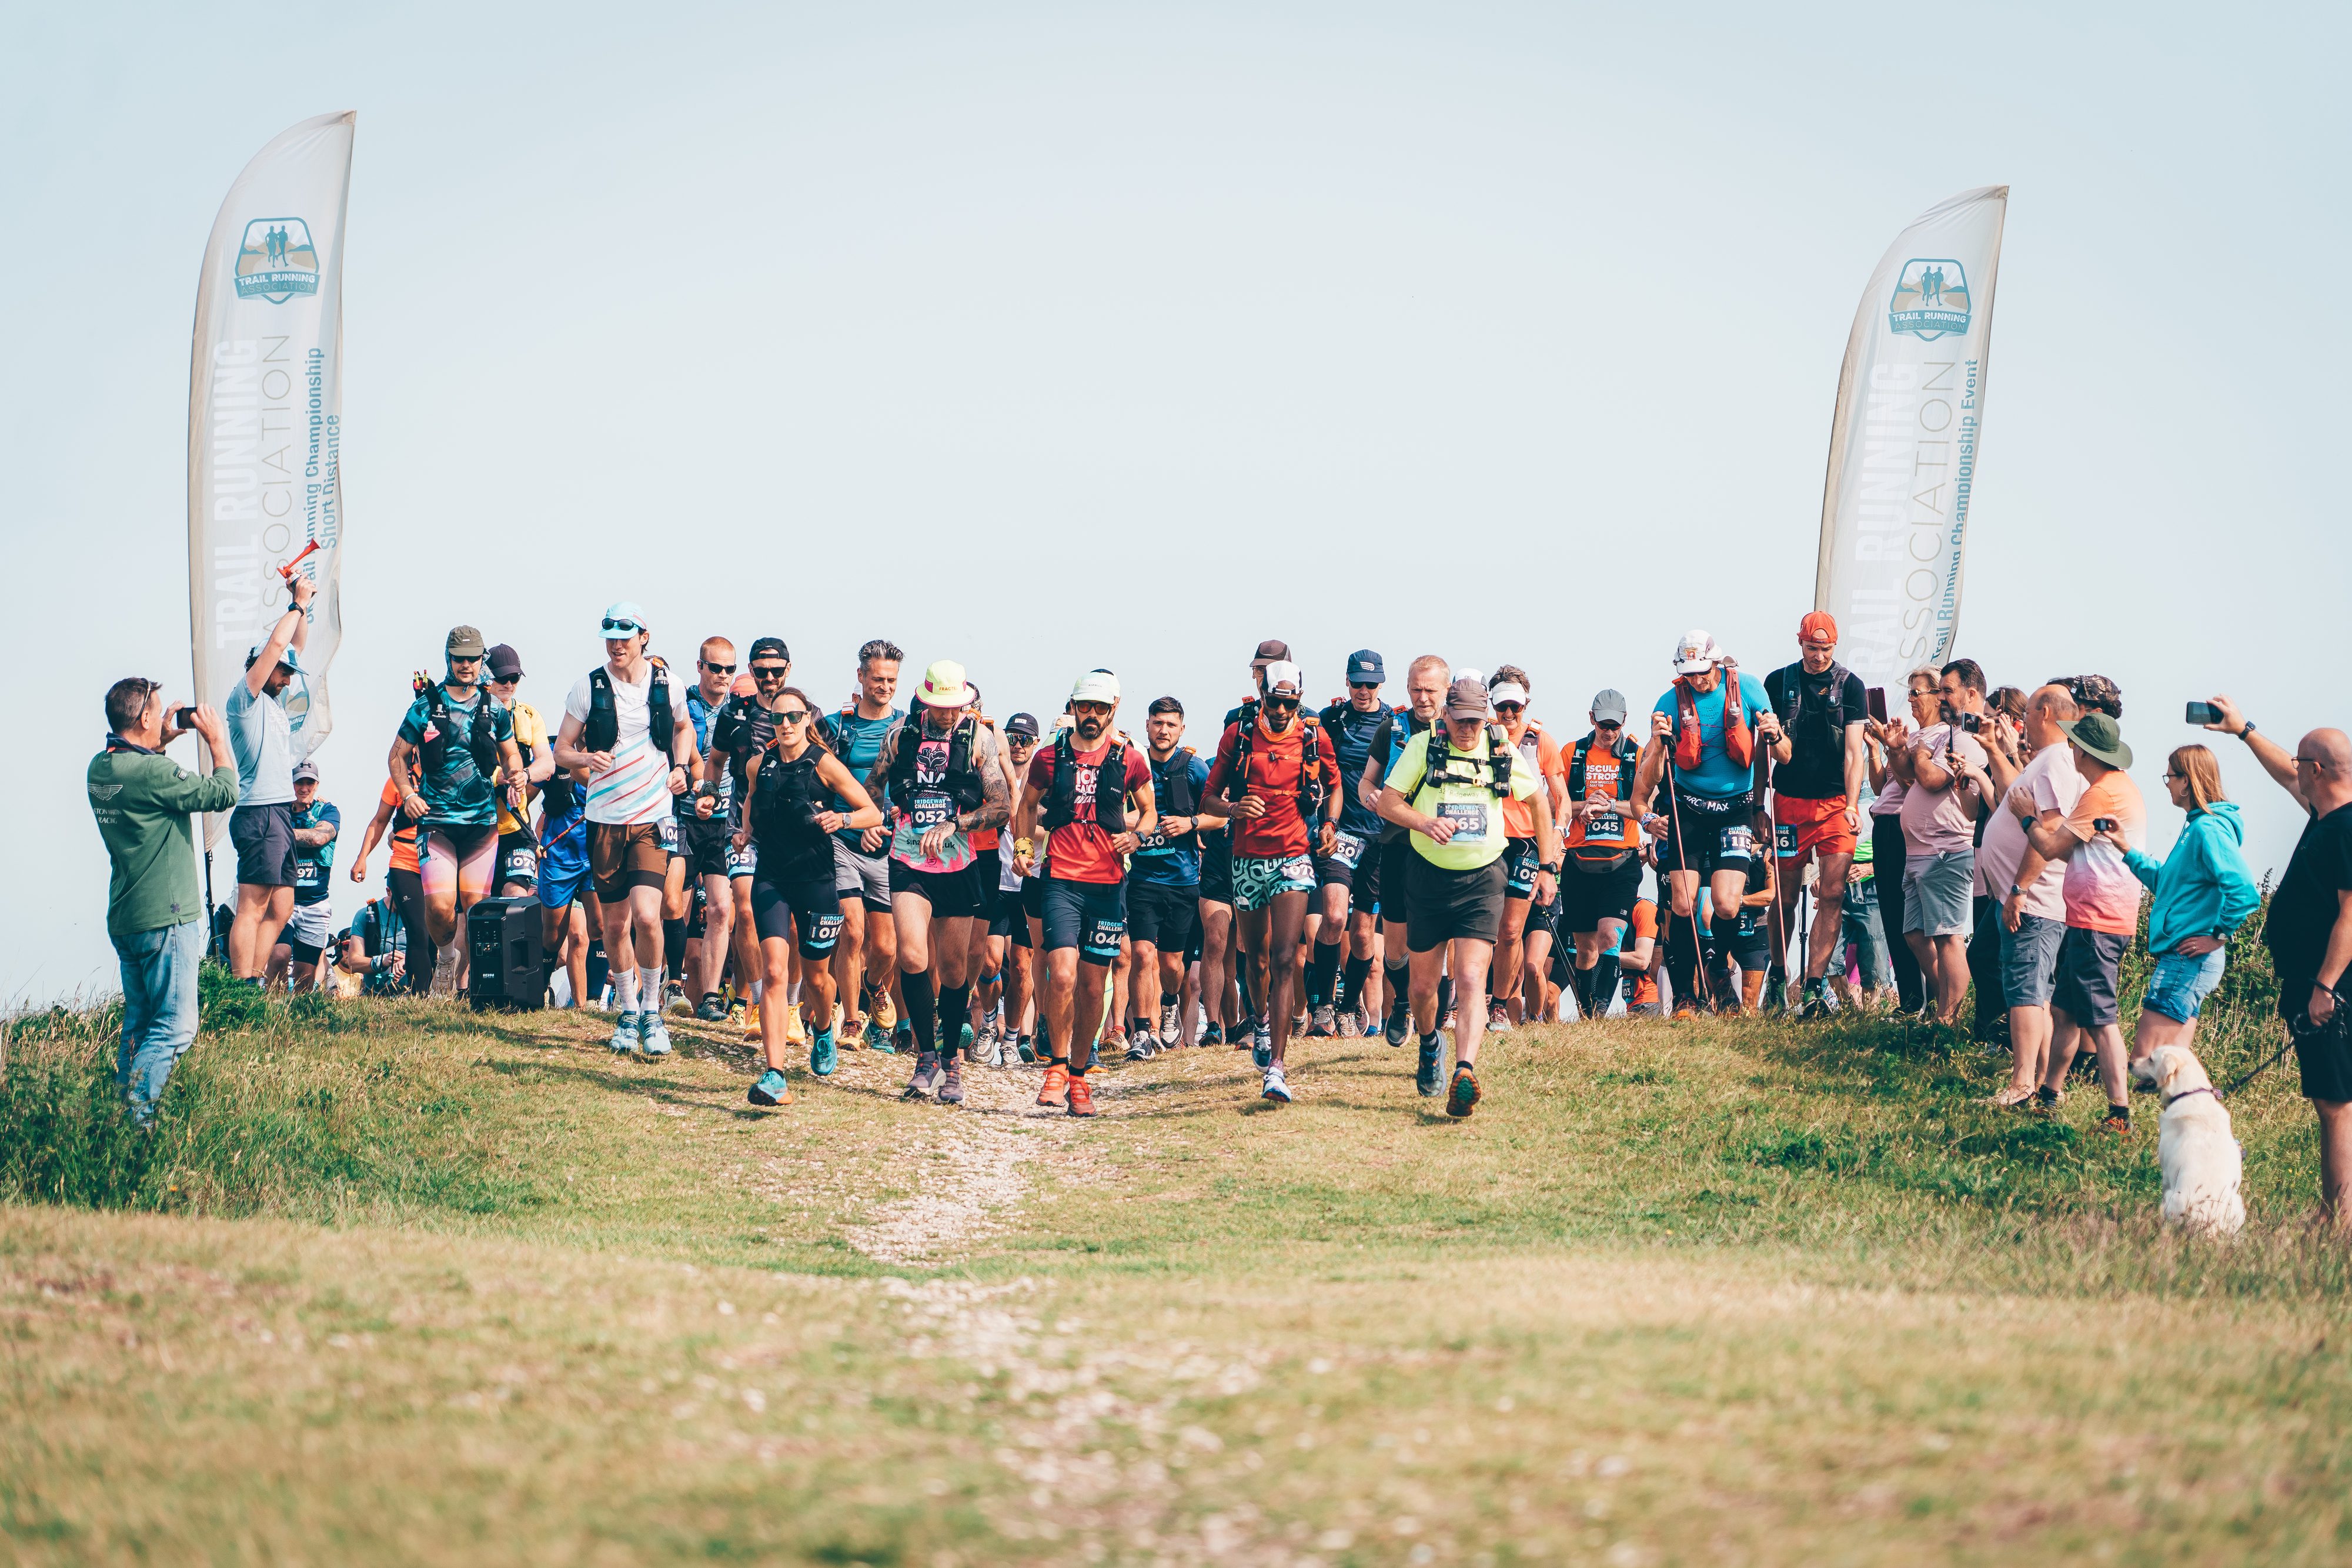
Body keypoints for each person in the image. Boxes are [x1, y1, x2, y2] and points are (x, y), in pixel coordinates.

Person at [2200, 697, 2352, 1222]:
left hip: (2329, 985)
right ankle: (2336, 1207)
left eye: (2301, 766)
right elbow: (2286, 773)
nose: (2294, 772)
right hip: (2311, 979)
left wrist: (2326, 985)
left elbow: (2350, 916)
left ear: (2317, 770)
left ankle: (2340, 1215)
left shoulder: (2348, 827)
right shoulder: (2325, 815)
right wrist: (2244, 731)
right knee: (2329, 1100)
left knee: (2336, 1102)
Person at [1376, 675, 1547, 1116]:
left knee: (1472, 978)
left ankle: (1465, 1070)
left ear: (1484, 717)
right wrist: (1423, 822)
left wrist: (1548, 865)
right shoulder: (1424, 745)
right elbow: (1387, 801)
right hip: (1427, 878)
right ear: (1447, 714)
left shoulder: (1499, 748)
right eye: (1461, 720)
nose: (1468, 729)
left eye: (1476, 720)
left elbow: (1539, 804)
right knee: (1422, 987)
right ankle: (1430, 1042)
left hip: (1484, 878)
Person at [88, 680, 239, 1122]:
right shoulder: (153, 774)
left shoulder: (100, 768)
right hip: (166, 916)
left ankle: (119, 1119)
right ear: (146, 719)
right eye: (157, 712)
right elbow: (222, 793)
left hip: (127, 916)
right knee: (175, 1026)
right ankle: (138, 1123)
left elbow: (144, 785)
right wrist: (217, 742)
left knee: (139, 1023)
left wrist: (159, 748)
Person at [553, 602, 699, 1057]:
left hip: (653, 817)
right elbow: (561, 749)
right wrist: (585, 759)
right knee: (614, 925)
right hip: (604, 820)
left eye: (625, 636)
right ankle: (628, 1010)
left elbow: (684, 728)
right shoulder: (588, 687)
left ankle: (654, 1011)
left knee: (649, 915)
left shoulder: (667, 683)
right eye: (610, 637)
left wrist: (679, 767)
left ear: (644, 637)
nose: (617, 645)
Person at [866, 660, 1011, 1104]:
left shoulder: (978, 739)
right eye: (941, 707)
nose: (949, 715)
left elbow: (1002, 805)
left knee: (952, 971)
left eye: (956, 707)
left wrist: (958, 823)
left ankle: (951, 1062)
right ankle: (924, 1057)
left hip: (958, 863)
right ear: (925, 700)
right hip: (909, 859)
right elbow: (872, 787)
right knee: (911, 955)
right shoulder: (901, 736)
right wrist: (873, 820)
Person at [1013, 670, 1156, 1118]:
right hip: (1061, 879)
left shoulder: (1128, 757)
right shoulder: (1048, 756)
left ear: (1114, 708)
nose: (1090, 716)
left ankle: (1078, 1076)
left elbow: (1150, 811)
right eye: (1083, 707)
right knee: (1062, 974)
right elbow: (1026, 806)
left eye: (1099, 708)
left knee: (1095, 986)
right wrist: (1022, 846)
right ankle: (1055, 1067)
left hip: (1109, 885)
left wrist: (1138, 837)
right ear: (1073, 707)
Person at [735, 684, 883, 1106]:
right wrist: (745, 832)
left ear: (807, 720)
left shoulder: (825, 764)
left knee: (818, 976)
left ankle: (822, 1028)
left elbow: (872, 811)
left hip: (817, 880)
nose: (785, 724)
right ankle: (776, 1074)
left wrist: (844, 817)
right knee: (776, 973)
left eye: (794, 717)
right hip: (771, 878)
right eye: (778, 718)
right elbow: (750, 800)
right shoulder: (758, 765)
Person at [1203, 660, 1342, 1101]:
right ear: (1261, 695)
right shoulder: (1239, 734)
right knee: (1256, 959)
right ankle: (1260, 1021)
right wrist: (1232, 809)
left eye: (1290, 702)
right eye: (1274, 701)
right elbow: (1209, 794)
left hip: (1294, 857)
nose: (1282, 710)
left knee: (1286, 958)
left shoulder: (1313, 736)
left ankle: (1277, 1068)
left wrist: (1330, 824)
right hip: (1246, 858)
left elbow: (1335, 785)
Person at [1635, 630, 1781, 1017]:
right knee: (1682, 903)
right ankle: (1684, 994)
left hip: (1735, 809)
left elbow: (1782, 751)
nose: (1697, 680)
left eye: (1702, 672)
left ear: (1717, 663)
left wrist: (1775, 733)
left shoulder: (1748, 688)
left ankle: (1718, 966)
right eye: (1690, 674)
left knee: (1728, 906)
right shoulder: (1670, 702)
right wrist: (1657, 741)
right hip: (1689, 811)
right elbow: (1647, 780)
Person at [2021, 711, 2147, 1132]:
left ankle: (2119, 1114)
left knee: (2101, 1017)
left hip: (2099, 920)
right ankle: (2049, 1094)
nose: (2070, 750)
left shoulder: (2102, 794)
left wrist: (2026, 817)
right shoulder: (2119, 787)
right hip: (2094, 918)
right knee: (2066, 1011)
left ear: (2084, 751)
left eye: (2074, 744)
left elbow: (2055, 847)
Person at [390, 626, 525, 998]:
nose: (466, 666)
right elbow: (396, 756)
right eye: (459, 659)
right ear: (448, 659)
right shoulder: (424, 706)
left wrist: (517, 775)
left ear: (482, 660)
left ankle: (473, 985)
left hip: (482, 824)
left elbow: (510, 752)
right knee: (440, 907)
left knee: (477, 909)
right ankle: (445, 959)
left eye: (473, 659)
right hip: (437, 824)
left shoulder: (494, 708)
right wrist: (406, 793)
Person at [2103, 744, 2259, 1065]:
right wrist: (2124, 847)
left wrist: (2218, 936)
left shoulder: (2208, 829)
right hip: (2184, 959)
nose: (2168, 784)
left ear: (2186, 781)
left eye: (2170, 777)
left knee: (2145, 1064)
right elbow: (2167, 884)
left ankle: (2121, 1116)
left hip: (2187, 959)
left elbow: (2243, 891)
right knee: (2172, 1068)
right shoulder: (2196, 827)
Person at [1760, 612, 1869, 1017]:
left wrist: (1853, 803)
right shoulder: (1779, 682)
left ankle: (1812, 985)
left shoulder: (1850, 685)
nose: (1819, 656)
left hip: (1835, 805)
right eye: (1812, 648)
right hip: (1788, 801)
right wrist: (1759, 803)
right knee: (1786, 896)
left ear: (1835, 646)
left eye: (1825, 649)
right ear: (1800, 642)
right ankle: (1776, 974)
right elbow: (1763, 751)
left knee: (1833, 892)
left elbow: (1854, 753)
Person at [1984, 685, 2087, 1106]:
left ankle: (2023, 1083)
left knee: (2026, 992)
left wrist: (2019, 888)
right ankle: (2040, 1082)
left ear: (2044, 713)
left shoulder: (2056, 761)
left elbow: (2050, 832)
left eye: (2026, 712)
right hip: (2032, 900)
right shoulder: (2046, 761)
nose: (2021, 721)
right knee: (2035, 992)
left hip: (2036, 901)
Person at [223, 570, 315, 981]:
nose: (290, 679)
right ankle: (241, 985)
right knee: (253, 904)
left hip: (278, 811)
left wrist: (304, 607)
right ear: (265, 667)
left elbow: (293, 644)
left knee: (281, 908)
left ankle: (253, 980)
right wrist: (294, 603)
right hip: (258, 811)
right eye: (285, 672)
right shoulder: (247, 698)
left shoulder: (275, 702)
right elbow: (279, 645)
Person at [1891, 659, 1992, 1024]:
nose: (1943, 698)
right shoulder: (1946, 736)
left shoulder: (1967, 737)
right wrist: (1899, 749)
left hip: (1946, 851)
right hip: (1920, 851)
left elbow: (1932, 779)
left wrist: (1919, 752)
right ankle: (1942, 1007)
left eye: (1947, 691)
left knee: (1949, 937)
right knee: (1915, 934)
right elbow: (1909, 781)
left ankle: (1948, 1020)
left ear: (1971, 692)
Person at [817, 640, 905, 1050]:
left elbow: (915, 789)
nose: (884, 686)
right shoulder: (836, 726)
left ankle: (874, 985)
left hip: (889, 846)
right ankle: (851, 1021)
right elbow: (816, 783)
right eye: (877, 679)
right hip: (843, 842)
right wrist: (848, 822)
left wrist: (884, 821)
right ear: (861, 677)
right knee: (851, 930)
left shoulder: (909, 727)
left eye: (891, 679)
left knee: (886, 945)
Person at [1361, 654, 1449, 1045]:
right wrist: (1372, 796)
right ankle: (1402, 1003)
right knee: (1395, 952)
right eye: (1416, 688)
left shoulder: (1461, 731)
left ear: (1446, 690)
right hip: (1396, 846)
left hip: (1441, 851)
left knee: (1436, 944)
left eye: (1430, 690)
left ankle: (1436, 1033)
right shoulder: (1391, 728)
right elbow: (1366, 782)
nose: (1422, 697)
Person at [707, 641, 790, 1037]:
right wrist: (708, 791)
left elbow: (828, 763)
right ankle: (758, 1002)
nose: (769, 678)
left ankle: (789, 1006)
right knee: (745, 909)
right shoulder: (735, 714)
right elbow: (716, 761)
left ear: (789, 669)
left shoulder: (805, 714)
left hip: (791, 830)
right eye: (761, 671)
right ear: (752, 671)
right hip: (742, 827)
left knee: (792, 922)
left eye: (776, 671)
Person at [1308, 650, 1392, 1037]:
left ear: (1381, 685)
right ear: (1346, 681)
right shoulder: (1331, 720)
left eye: (1370, 684)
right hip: (1339, 832)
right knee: (1335, 917)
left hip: (1380, 839)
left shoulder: (1397, 724)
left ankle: (1348, 1006)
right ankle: (1322, 1005)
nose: (1363, 690)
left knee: (1362, 934)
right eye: (1357, 682)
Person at [1129, 697, 1210, 1057]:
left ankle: (1170, 1002)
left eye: (1171, 725)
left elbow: (1222, 817)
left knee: (1171, 964)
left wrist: (1190, 823)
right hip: (1143, 878)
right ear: (1147, 725)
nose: (1163, 731)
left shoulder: (1194, 768)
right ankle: (1143, 1032)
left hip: (1182, 880)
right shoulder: (1132, 764)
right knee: (1142, 954)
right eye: (1157, 723)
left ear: (1182, 729)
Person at [1561, 689, 1648, 1021]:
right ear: (1591, 718)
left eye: (1614, 725)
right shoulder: (1573, 753)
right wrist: (1584, 807)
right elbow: (1556, 804)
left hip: (1621, 861)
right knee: (1585, 949)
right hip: (1580, 860)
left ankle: (1598, 1013)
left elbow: (1645, 808)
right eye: (1603, 724)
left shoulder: (1636, 755)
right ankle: (1586, 1013)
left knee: (1610, 935)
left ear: (1624, 722)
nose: (1608, 732)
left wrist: (1610, 805)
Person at [1485, 667, 1565, 1031]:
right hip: (1487, 842)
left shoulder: (1540, 741)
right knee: (1482, 928)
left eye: (1516, 708)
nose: (1509, 716)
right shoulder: (1480, 737)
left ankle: (1500, 1006)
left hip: (1528, 844)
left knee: (1511, 931)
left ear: (1526, 704)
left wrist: (1557, 840)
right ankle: (1477, 999)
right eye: (1502, 708)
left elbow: (1561, 800)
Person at [1864, 670, 1941, 1012]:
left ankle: (1932, 997)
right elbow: (1883, 787)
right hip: (1885, 824)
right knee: (1894, 916)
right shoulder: (1911, 737)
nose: (1910, 699)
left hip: (1905, 829)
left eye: (1916, 693)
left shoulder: (1938, 738)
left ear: (1938, 695)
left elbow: (1913, 783)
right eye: (1909, 693)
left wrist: (1894, 747)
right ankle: (1910, 997)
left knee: (1913, 918)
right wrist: (1876, 749)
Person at [677, 636, 744, 1020]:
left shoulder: (742, 711)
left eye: (729, 668)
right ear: (700, 666)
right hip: (684, 817)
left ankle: (712, 997)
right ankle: (671, 987)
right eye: (714, 667)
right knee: (678, 908)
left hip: (726, 822)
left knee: (721, 909)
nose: (722, 674)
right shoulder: (682, 704)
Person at [348, 764, 433, 995]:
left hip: (438, 862)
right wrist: (362, 857)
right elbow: (380, 820)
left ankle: (448, 986)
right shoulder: (397, 780)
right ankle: (420, 997)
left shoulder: (452, 772)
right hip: (405, 862)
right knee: (418, 930)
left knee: (442, 925)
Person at [484, 644, 557, 899]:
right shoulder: (470, 713)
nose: (509, 684)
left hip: (517, 829)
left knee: (515, 896)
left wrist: (523, 776)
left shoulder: (529, 714)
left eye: (514, 678)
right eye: (501, 678)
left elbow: (547, 763)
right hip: (477, 826)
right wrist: (498, 777)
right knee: (473, 909)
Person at [268, 761, 341, 991]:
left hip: (315, 902)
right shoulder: (279, 809)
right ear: (291, 784)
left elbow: (320, 838)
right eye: (300, 782)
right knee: (280, 955)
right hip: (284, 896)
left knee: (304, 977)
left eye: (309, 782)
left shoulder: (327, 810)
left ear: (317, 785)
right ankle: (271, 1007)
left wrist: (281, 834)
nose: (304, 788)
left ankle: (296, 1020)